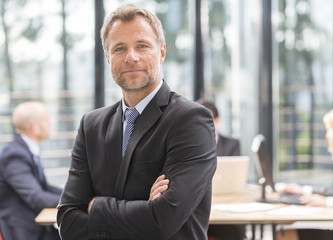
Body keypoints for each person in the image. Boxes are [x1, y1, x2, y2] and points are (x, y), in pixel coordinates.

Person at [57, 3, 217, 240]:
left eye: (142, 46)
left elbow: (162, 220)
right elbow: (68, 222)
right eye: (119, 48)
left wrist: (96, 205)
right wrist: (144, 208)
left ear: (161, 52)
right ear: (108, 57)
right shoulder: (91, 125)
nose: (131, 57)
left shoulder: (190, 120)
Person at [281, 105, 333, 240]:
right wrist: (304, 190)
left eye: (329, 130)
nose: (326, 135)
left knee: (285, 234)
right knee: (285, 232)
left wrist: (328, 202)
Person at [0, 102, 62, 240]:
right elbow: (37, 197)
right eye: (46, 120)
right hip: (22, 231)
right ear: (34, 128)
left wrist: (75, 195)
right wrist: (77, 202)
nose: (50, 123)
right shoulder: (14, 156)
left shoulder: (27, 150)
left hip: (36, 225)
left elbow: (44, 187)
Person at [197, 99, 245, 240]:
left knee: (232, 230)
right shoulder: (189, 147)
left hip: (228, 202)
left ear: (217, 121)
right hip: (200, 205)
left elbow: (235, 176)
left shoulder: (232, 144)